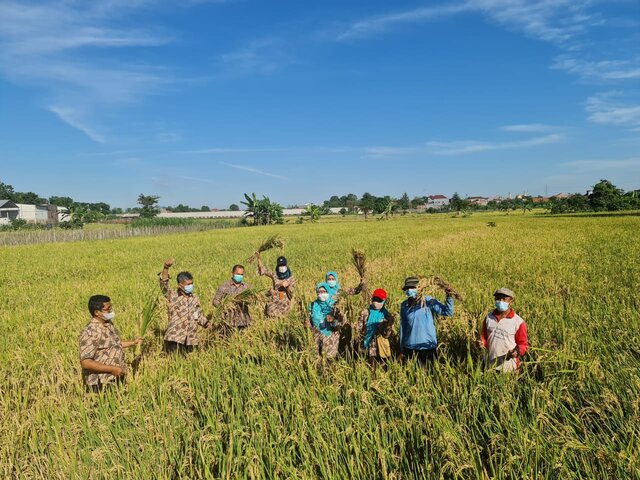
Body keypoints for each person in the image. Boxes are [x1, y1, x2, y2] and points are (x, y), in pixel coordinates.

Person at [79, 295, 143, 392]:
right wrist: (112, 369)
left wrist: (133, 342)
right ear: (97, 312)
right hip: (101, 382)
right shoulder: (90, 332)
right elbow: (86, 362)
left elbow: (114, 344)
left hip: (115, 376)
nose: (111, 311)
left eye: (111, 307)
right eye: (108, 309)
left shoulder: (108, 324)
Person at [399, 276, 454, 364]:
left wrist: (449, 296)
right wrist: (401, 349)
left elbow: (448, 312)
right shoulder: (404, 305)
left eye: (412, 287)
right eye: (408, 288)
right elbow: (403, 327)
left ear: (420, 288)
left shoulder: (428, 301)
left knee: (429, 374)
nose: (409, 290)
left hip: (427, 346)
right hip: (409, 347)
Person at [159, 258, 210, 354]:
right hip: (175, 338)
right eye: (188, 284)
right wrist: (166, 268)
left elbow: (197, 315)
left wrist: (207, 324)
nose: (190, 286)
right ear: (180, 285)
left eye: (192, 283)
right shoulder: (173, 295)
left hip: (190, 339)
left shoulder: (194, 297)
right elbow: (163, 285)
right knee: (176, 362)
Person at [480, 288, 529, 373]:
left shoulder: (518, 322)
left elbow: (523, 344)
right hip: (489, 364)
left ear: (511, 301)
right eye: (498, 299)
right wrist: (481, 342)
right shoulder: (489, 317)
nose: (500, 301)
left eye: (504, 299)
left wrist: (516, 352)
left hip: (509, 367)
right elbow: (484, 336)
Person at [307, 282, 345, 362]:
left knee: (329, 360)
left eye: (324, 291)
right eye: (319, 292)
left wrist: (333, 321)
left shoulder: (335, 305)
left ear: (328, 292)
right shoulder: (312, 305)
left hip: (330, 337)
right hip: (316, 337)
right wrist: (307, 324)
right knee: (316, 360)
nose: (321, 294)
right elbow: (309, 320)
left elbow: (341, 325)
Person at [357, 288, 395, 367]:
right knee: (371, 362)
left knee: (384, 361)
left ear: (384, 301)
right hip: (369, 341)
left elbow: (389, 332)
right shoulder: (365, 312)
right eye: (375, 299)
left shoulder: (386, 314)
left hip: (381, 342)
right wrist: (361, 341)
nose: (376, 302)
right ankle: (373, 377)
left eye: (379, 300)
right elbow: (360, 328)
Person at [213, 264, 252, 331]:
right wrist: (225, 306)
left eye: (241, 274)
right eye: (237, 274)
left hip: (244, 321)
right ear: (232, 273)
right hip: (229, 321)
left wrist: (248, 301)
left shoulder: (246, 287)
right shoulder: (224, 286)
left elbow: (252, 300)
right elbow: (215, 301)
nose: (239, 276)